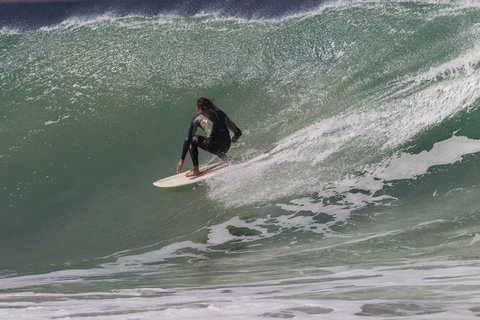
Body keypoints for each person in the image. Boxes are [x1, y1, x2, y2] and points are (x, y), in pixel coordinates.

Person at [176, 97, 242, 177]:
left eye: (196, 108)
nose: (196, 110)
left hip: (213, 146)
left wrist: (181, 160)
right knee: (215, 138)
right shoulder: (221, 113)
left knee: (193, 139)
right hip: (226, 146)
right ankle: (225, 158)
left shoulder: (198, 116)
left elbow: (188, 139)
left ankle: (195, 169)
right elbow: (238, 132)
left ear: (199, 108)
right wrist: (232, 141)